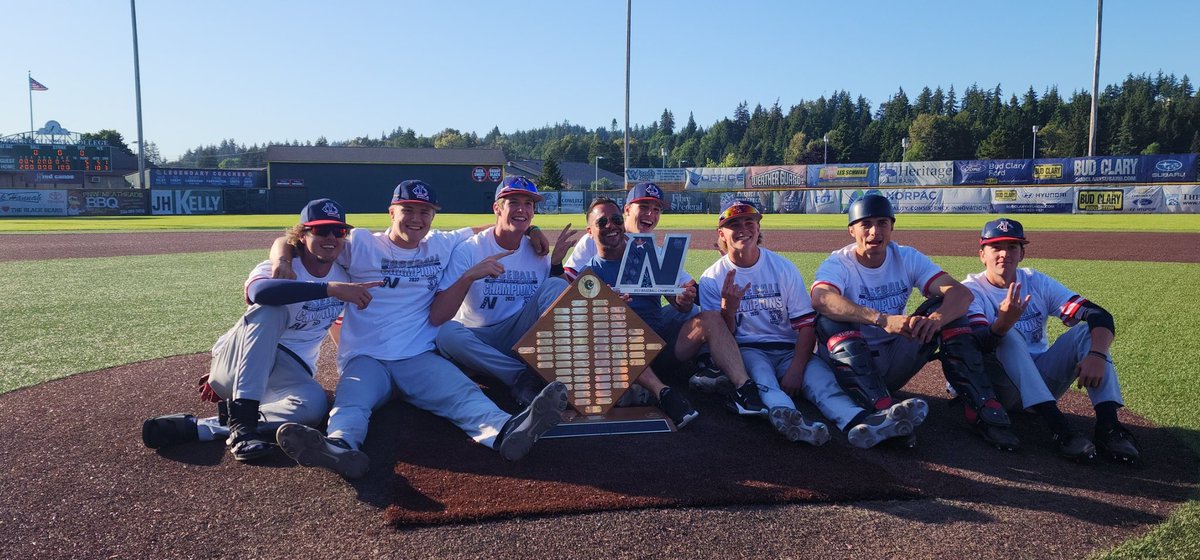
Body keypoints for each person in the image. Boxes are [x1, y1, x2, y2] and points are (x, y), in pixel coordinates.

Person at [268, 180, 568, 479]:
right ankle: (341, 447)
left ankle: (507, 432)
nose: (416, 218)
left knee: (461, 394)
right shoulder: (361, 244)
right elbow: (303, 241)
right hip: (367, 358)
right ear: (391, 212)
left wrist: (531, 229)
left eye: (424, 212)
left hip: (417, 356)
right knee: (352, 402)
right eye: (408, 210)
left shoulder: (439, 242)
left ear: (433, 217)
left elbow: (491, 228)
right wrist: (282, 256)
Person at [140, 198, 380, 462]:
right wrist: (328, 288)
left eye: (339, 231)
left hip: (289, 369)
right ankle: (243, 432)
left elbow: (339, 324)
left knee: (314, 406)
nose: (331, 237)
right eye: (322, 230)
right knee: (271, 308)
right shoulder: (281, 268)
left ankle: (205, 427)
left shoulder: (344, 275)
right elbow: (260, 292)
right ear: (302, 234)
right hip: (241, 357)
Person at [805, 194, 1019, 450]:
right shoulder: (840, 262)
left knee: (949, 312)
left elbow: (961, 294)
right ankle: (882, 410)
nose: (875, 231)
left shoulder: (906, 257)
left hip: (895, 356)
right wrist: (881, 319)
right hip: (848, 366)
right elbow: (821, 298)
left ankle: (983, 411)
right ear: (852, 230)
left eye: (883, 222)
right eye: (866, 224)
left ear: (892, 226)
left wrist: (937, 320)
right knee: (829, 321)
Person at [565, 197, 769, 427]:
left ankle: (743, 388)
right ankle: (663, 393)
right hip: (621, 355)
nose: (611, 226)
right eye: (602, 222)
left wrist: (683, 299)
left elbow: (679, 304)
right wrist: (607, 308)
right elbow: (580, 329)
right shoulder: (588, 274)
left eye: (616, 220)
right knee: (613, 323)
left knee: (709, 317)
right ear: (590, 232)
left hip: (659, 347)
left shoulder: (647, 255)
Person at [962, 217, 1140, 463]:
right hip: (998, 390)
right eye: (996, 247)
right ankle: (1060, 431)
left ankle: (1109, 428)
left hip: (1042, 384)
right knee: (1009, 336)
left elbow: (1098, 314)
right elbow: (977, 345)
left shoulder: (1035, 281)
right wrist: (1002, 324)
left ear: (1022, 253)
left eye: (1012, 246)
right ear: (982, 254)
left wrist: (1097, 354)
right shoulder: (971, 290)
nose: (1005, 253)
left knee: (1085, 332)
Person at [433, 176, 577, 407]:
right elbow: (438, 315)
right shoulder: (469, 250)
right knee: (447, 334)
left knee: (557, 285)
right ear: (497, 208)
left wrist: (556, 263)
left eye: (528, 204)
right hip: (480, 336)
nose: (522, 209)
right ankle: (522, 376)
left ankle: (554, 368)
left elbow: (550, 299)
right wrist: (469, 276)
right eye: (513, 202)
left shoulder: (536, 252)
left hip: (520, 332)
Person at [697, 200, 829, 445]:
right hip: (747, 350)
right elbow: (723, 340)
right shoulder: (712, 278)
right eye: (733, 224)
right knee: (762, 377)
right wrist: (728, 309)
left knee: (825, 383)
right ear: (721, 234)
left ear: (758, 228)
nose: (743, 228)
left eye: (749, 222)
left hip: (789, 350)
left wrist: (797, 369)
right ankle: (789, 418)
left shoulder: (783, 268)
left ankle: (857, 420)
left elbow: (807, 324)